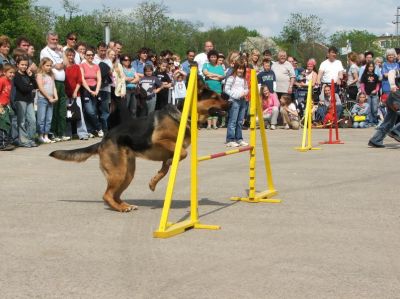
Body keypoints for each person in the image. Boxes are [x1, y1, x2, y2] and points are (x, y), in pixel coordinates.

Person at [40, 31, 69, 142]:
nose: (55, 41)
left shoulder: (59, 51)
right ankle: (52, 133)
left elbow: (65, 64)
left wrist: (63, 52)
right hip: (53, 81)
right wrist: (59, 65)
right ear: (48, 40)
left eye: (56, 39)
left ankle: (61, 133)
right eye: (52, 39)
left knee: (62, 109)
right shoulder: (44, 51)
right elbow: (56, 66)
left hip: (62, 82)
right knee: (54, 109)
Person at [368, 69, 400, 147]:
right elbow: (392, 72)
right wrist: (392, 84)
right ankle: (397, 130)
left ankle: (376, 140)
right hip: (397, 97)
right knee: (390, 121)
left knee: (389, 121)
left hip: (392, 98)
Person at [64, 48, 89, 140]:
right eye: (69, 55)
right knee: (68, 114)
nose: (70, 57)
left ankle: (83, 134)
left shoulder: (77, 67)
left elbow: (79, 80)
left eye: (72, 55)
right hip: (65, 94)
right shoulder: (63, 68)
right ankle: (67, 134)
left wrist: (75, 91)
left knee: (79, 114)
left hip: (76, 93)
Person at [13, 55, 37, 147]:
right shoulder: (16, 75)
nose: (24, 66)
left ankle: (30, 139)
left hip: (29, 100)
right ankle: (23, 140)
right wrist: (30, 86)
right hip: (20, 100)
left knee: (32, 120)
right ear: (17, 65)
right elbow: (23, 89)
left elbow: (35, 86)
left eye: (26, 65)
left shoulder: (28, 75)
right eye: (22, 64)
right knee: (22, 121)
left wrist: (31, 77)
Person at [224, 60, 249, 147]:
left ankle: (239, 139)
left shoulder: (244, 79)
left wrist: (245, 92)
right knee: (233, 121)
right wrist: (237, 95)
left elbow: (246, 88)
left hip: (242, 101)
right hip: (234, 101)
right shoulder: (231, 78)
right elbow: (226, 89)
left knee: (239, 121)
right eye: (239, 69)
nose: (240, 71)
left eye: (242, 69)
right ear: (235, 69)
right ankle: (230, 139)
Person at [80, 48, 103, 138]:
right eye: (88, 55)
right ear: (85, 56)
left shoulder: (96, 66)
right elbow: (82, 79)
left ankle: (89, 130)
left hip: (95, 89)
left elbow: (99, 79)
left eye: (92, 55)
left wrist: (96, 90)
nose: (90, 57)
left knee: (93, 111)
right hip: (86, 90)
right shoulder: (82, 65)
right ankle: (99, 128)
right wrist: (89, 90)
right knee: (90, 111)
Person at [36, 58, 58, 144]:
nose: (49, 67)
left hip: (51, 100)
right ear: (42, 65)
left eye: (50, 66)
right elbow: (41, 87)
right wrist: (49, 97)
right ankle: (40, 135)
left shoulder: (51, 75)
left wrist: (55, 96)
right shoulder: (40, 75)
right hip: (43, 99)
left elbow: (54, 87)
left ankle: (46, 135)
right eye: (47, 65)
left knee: (49, 118)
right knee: (41, 118)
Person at [202, 49, 225, 129]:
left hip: (217, 88)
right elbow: (205, 73)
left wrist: (211, 76)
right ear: (209, 57)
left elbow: (222, 76)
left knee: (216, 106)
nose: (213, 58)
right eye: (211, 57)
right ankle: (209, 124)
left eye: (215, 57)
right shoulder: (206, 65)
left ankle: (214, 124)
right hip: (208, 88)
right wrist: (216, 76)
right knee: (209, 106)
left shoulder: (220, 66)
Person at [93, 42, 111, 135]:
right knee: (94, 110)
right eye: (101, 50)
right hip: (94, 88)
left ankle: (105, 129)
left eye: (105, 50)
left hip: (106, 88)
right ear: (97, 50)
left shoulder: (108, 60)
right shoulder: (93, 58)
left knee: (105, 110)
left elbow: (111, 73)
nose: (103, 52)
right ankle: (95, 129)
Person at [0, 64, 16, 151]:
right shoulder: (2, 80)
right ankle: (2, 144)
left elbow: (6, 95)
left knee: (7, 124)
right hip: (1, 107)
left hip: (6, 106)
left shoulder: (9, 81)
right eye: (10, 73)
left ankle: (6, 142)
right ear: (4, 72)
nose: (12, 75)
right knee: (3, 125)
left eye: (13, 73)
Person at [360, 62, 380, 126]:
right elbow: (362, 85)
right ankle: (370, 122)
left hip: (374, 95)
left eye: (372, 66)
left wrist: (376, 90)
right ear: (367, 67)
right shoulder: (364, 75)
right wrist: (364, 93)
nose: (371, 68)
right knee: (369, 108)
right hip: (367, 95)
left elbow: (378, 85)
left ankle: (375, 121)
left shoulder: (376, 76)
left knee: (374, 109)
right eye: (369, 66)